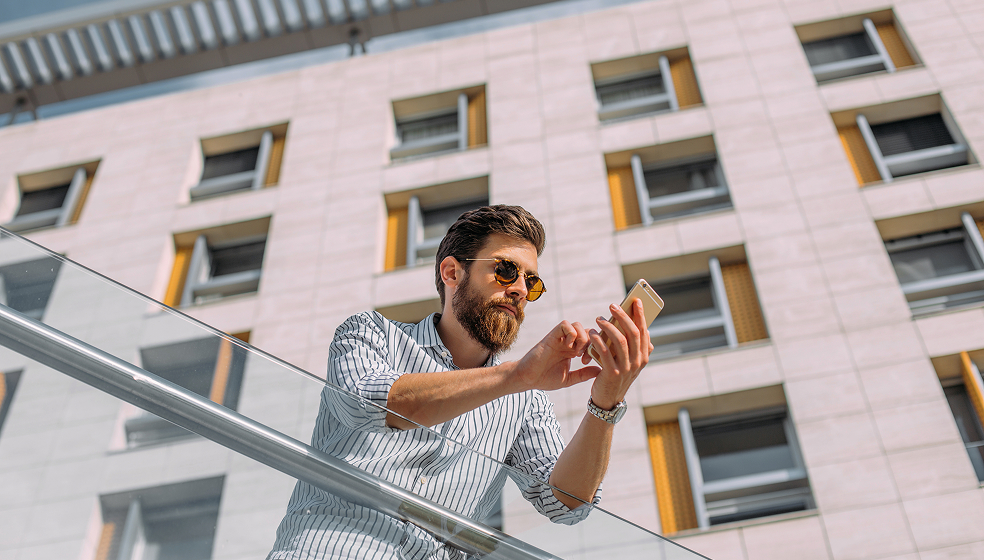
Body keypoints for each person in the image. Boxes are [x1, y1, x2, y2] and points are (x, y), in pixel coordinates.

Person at [268, 205, 652, 559]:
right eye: (505, 270)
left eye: (531, 282)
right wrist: (516, 375)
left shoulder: (525, 401)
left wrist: (605, 402)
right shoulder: (370, 333)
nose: (519, 289)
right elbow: (368, 404)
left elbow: (566, 503)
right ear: (452, 272)